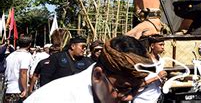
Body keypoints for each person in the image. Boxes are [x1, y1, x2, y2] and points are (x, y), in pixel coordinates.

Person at [24, 35, 154, 103]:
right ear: (98, 76)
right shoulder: (55, 98)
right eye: (123, 89)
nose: (130, 97)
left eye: (136, 88)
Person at [133, 34, 168, 103]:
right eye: (160, 45)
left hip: (156, 98)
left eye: (163, 45)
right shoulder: (144, 61)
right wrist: (157, 77)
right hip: (142, 99)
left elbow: (159, 84)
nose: (163, 47)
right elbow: (138, 84)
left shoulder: (161, 61)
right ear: (152, 46)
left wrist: (163, 80)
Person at [4, 36, 33, 103]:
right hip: (18, 90)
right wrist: (25, 89)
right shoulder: (26, 55)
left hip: (8, 90)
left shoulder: (10, 56)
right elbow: (23, 72)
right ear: (29, 45)